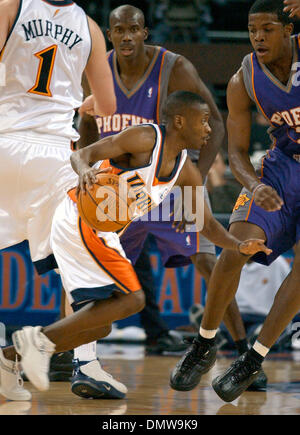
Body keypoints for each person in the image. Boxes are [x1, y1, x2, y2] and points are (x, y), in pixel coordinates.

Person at [1, 91, 270, 400]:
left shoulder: (186, 171)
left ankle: (10, 359)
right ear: (180, 121)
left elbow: (204, 223)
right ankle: (27, 348)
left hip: (103, 231)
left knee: (98, 326)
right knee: (132, 299)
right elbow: (81, 155)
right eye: (205, 121)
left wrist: (238, 245)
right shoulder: (144, 138)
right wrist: (86, 171)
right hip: (80, 215)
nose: (210, 130)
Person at [77, 4, 266, 393]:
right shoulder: (95, 70)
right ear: (110, 35)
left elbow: (212, 122)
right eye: (119, 31)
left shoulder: (173, 67)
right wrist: (85, 172)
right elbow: (86, 125)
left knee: (207, 260)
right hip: (118, 194)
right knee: (91, 272)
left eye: (134, 29)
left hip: (168, 182)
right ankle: (78, 357)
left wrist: (192, 179)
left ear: (145, 32)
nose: (126, 37)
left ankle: (244, 352)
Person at [170, 0, 300, 403]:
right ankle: (206, 343)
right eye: (251, 29)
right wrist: (251, 183)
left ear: (287, 29)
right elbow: (239, 151)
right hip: (281, 168)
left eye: (267, 28)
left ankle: (254, 358)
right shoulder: (244, 78)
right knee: (234, 247)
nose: (258, 36)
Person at [0, 0, 116, 401]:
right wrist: (82, 105)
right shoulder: (90, 27)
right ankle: (85, 363)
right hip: (56, 156)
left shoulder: (10, 7)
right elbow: (107, 107)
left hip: (5, 142)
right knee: (81, 267)